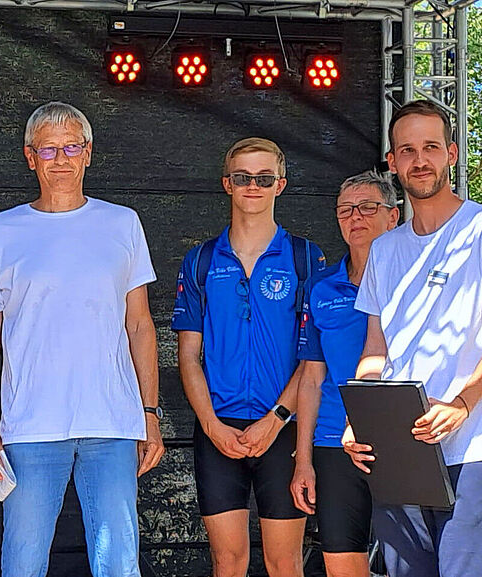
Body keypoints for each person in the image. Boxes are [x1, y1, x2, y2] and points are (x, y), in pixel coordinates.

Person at [0, 101, 165, 577]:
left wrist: (151, 414)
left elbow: (139, 325)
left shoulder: (122, 223)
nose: (61, 158)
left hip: (113, 424)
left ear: (89, 153)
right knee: (22, 564)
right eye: (49, 148)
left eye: (71, 146)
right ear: (29, 156)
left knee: (119, 565)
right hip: (29, 427)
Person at [172, 137, 325, 577]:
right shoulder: (200, 259)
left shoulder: (304, 257)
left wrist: (276, 417)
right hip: (218, 431)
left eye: (263, 178)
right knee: (228, 562)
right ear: (227, 184)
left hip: (284, 429)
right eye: (243, 178)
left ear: (280, 185)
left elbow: (312, 358)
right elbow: (188, 356)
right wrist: (211, 426)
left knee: (284, 563)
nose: (253, 186)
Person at [343, 100, 482, 577]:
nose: (419, 160)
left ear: (452, 154)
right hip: (399, 451)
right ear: (392, 161)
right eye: (407, 150)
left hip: (473, 450)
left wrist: (464, 402)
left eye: (429, 147)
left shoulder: (479, 231)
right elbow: (375, 348)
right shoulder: (384, 249)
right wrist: (360, 414)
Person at [289, 170, 399, 577]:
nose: (356, 217)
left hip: (400, 436)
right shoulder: (320, 287)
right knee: (341, 563)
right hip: (335, 440)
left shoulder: (415, 279)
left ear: (393, 217)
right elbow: (311, 377)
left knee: (411, 562)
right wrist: (303, 459)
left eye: (368, 207)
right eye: (346, 210)